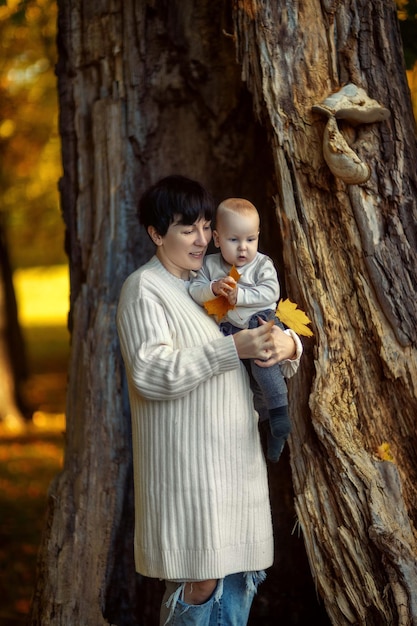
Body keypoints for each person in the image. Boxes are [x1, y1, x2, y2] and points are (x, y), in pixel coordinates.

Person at [116, 175, 302, 626]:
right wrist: (233, 350)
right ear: (156, 234)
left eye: (204, 226)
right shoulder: (146, 289)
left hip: (235, 467)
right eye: (187, 229)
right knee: (201, 585)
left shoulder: (214, 280)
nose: (201, 240)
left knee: (235, 582)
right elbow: (150, 373)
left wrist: (288, 344)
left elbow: (256, 325)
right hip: (190, 479)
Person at [189, 198, 290, 463]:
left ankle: (279, 416)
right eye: (234, 240)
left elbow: (271, 291)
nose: (243, 248)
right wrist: (212, 289)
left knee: (264, 366)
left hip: (259, 320)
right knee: (242, 388)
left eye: (250, 240)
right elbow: (194, 289)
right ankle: (265, 425)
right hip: (227, 330)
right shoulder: (210, 266)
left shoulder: (262, 264)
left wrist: (240, 295)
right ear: (218, 239)